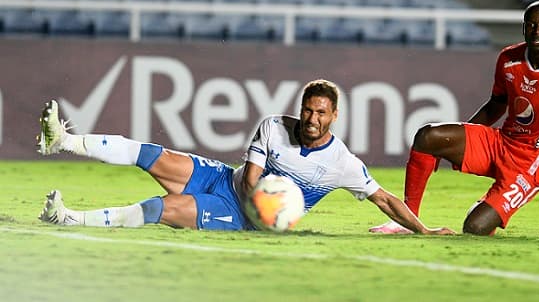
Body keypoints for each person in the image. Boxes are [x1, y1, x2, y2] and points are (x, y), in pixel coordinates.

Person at [37, 79, 454, 235]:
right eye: (307, 109)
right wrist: (260, 195)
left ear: (334, 117)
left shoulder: (341, 163)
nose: (311, 118)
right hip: (225, 180)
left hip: (241, 216)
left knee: (160, 209)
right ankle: (64, 142)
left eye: (320, 113)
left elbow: (384, 199)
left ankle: (69, 219)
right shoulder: (274, 126)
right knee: (151, 153)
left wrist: (424, 230)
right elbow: (253, 175)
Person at [370, 1, 539, 236]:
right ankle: (407, 217)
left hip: (531, 165)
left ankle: (491, 207)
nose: (537, 31)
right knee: (428, 136)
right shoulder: (509, 59)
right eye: (531, 25)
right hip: (501, 143)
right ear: (523, 28)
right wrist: (451, 142)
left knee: (475, 228)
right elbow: (495, 106)